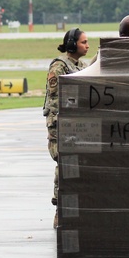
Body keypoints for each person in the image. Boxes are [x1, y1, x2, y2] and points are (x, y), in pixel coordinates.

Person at [44, 28, 90, 227]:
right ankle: (59, 211)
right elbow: (56, 100)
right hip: (61, 124)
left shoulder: (81, 65)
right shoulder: (59, 67)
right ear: (72, 44)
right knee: (64, 166)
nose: (87, 46)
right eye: (83, 42)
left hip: (77, 125)